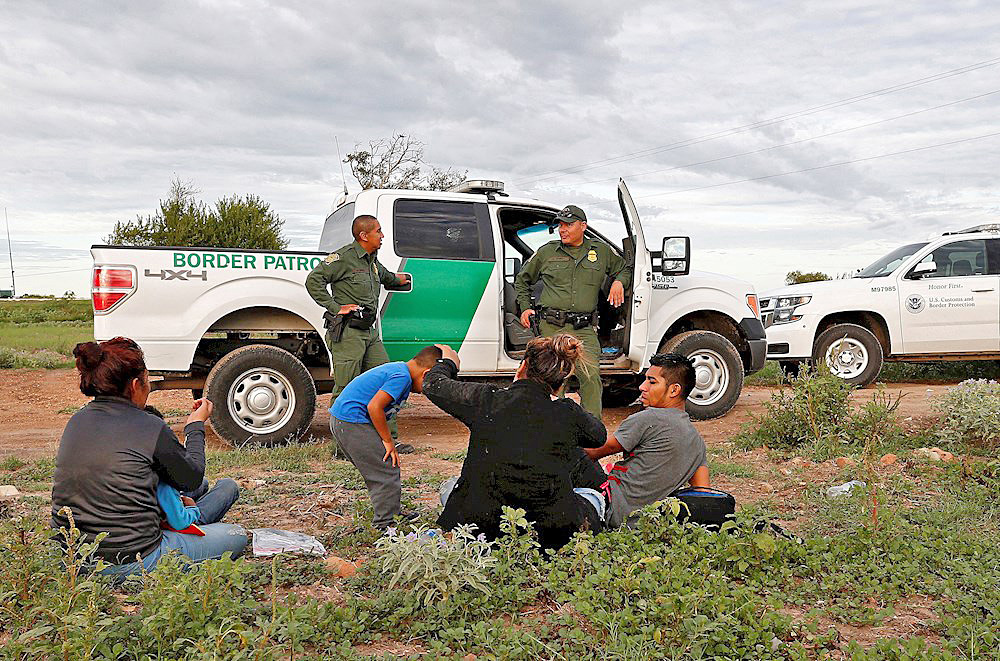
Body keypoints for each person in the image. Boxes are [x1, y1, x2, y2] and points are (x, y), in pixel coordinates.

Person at [51, 338, 247, 578]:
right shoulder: (149, 426)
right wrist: (195, 425)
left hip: (73, 558)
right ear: (135, 385)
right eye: (147, 381)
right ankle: (187, 532)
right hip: (134, 558)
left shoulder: (77, 421)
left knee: (197, 491)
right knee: (235, 534)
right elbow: (192, 478)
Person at [425, 335, 607, 550]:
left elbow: (433, 384)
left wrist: (448, 362)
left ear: (523, 366)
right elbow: (598, 435)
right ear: (562, 379)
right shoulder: (567, 412)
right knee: (593, 496)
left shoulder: (487, 399)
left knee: (449, 487)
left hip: (482, 526)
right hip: (551, 532)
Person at [305, 214, 414, 453]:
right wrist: (336, 307)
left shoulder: (372, 261)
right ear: (364, 235)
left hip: (369, 332)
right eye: (378, 231)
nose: (382, 235)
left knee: (388, 382)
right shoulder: (344, 258)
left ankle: (388, 440)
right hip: (348, 333)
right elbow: (314, 280)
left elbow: (386, 278)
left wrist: (404, 278)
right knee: (345, 388)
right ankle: (342, 447)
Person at [514, 204, 631, 418]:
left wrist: (619, 283)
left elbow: (624, 268)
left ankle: (592, 430)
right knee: (553, 379)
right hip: (552, 327)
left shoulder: (601, 251)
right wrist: (525, 308)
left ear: (583, 226)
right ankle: (551, 428)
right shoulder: (547, 252)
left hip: (584, 328)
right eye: (560, 224)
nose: (562, 229)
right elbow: (522, 280)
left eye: (568, 224)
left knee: (591, 377)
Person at [581, 353, 710, 528]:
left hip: (611, 509)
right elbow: (704, 496)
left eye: (652, 381)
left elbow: (591, 453)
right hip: (647, 524)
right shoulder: (697, 443)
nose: (642, 387)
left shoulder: (649, 418)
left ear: (674, 390)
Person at [329, 345, 443, 529]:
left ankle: (391, 513)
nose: (426, 390)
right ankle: (385, 526)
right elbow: (374, 407)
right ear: (426, 374)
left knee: (382, 469)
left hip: (345, 421)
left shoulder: (400, 370)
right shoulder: (402, 377)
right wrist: (388, 441)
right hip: (351, 422)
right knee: (386, 470)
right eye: (431, 383)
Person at [144, 406, 240, 533]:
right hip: (175, 527)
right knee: (228, 486)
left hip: (158, 514)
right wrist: (192, 508)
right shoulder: (161, 476)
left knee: (202, 483)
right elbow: (179, 522)